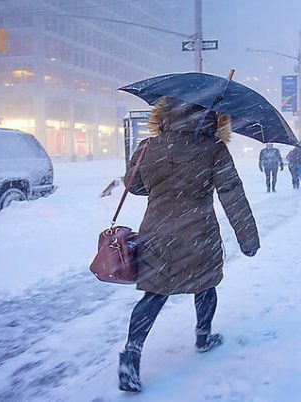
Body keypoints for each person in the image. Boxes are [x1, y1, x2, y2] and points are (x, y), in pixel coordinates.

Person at [119, 97, 260, 392]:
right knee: (205, 285)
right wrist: (248, 239)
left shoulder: (150, 146)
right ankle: (203, 335)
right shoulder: (214, 150)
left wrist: (164, 180)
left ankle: (131, 355)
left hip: (156, 231)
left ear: (165, 114)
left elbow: (135, 186)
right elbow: (232, 194)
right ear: (212, 117)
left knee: (154, 294)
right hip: (199, 231)